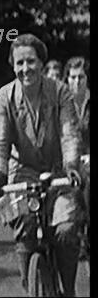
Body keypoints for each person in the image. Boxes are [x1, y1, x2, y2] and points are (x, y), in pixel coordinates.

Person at [0, 34, 83, 295]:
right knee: (24, 226)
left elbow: (69, 133)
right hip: (22, 173)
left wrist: (72, 165)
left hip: (58, 171)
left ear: (42, 64)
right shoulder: (4, 97)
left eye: (31, 61)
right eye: (19, 63)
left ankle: (69, 289)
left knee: (66, 230)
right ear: (12, 66)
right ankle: (29, 288)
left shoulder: (60, 91)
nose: (25, 68)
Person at [63, 56, 90, 260]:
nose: (76, 82)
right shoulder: (61, 103)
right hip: (67, 160)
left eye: (81, 77)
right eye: (72, 77)